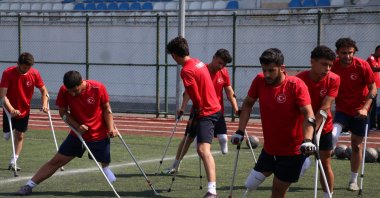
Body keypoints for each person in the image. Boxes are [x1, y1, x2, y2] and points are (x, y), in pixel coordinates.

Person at [16, 70, 119, 196]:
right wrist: (77, 126)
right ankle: (29, 185)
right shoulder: (64, 90)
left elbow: (106, 109)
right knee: (56, 161)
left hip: (98, 134)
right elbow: (63, 113)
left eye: (76, 91)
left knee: (104, 161)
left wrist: (111, 129)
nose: (73, 94)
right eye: (70, 91)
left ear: (82, 83)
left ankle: (105, 168)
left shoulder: (98, 87)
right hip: (77, 135)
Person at [230, 48, 316, 197]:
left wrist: (307, 140)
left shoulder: (296, 85)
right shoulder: (259, 80)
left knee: (277, 191)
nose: (267, 75)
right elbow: (248, 103)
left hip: (292, 152)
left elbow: (308, 114)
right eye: (264, 70)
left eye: (271, 70)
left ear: (282, 68)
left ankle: (304, 162)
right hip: (269, 150)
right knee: (250, 184)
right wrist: (240, 130)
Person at [162, 49, 239, 174]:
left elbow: (229, 91)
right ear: (213, 57)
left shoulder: (223, 73)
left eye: (223, 65)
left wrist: (235, 107)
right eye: (219, 63)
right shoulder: (202, 68)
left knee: (220, 139)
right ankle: (175, 166)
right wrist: (183, 107)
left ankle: (221, 141)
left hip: (216, 110)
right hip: (199, 110)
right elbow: (189, 90)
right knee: (188, 139)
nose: (221, 67)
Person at [166, 36, 222, 198]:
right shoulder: (198, 62)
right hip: (209, 109)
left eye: (172, 55)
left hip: (206, 111)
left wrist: (198, 111)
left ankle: (212, 191)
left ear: (175, 55)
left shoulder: (186, 70)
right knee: (189, 139)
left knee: (203, 149)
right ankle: (175, 165)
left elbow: (195, 96)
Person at [331, 38, 377, 191]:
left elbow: (373, 89)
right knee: (333, 134)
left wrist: (365, 108)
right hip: (342, 110)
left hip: (359, 111)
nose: (347, 56)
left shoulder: (362, 65)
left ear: (354, 52)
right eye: (343, 53)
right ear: (338, 53)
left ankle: (353, 180)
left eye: (350, 53)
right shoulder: (333, 66)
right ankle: (323, 158)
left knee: (356, 146)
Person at [297, 45, 340, 198]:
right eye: (324, 64)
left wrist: (314, 131)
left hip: (324, 127)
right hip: (302, 127)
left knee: (325, 163)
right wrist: (307, 135)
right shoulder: (299, 79)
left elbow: (325, 107)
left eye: (330, 65)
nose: (327, 68)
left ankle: (328, 195)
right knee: (294, 162)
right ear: (312, 62)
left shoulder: (334, 79)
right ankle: (303, 161)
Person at [0, 52, 48, 171]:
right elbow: (2, 96)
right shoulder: (8, 73)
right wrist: (11, 109)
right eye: (24, 67)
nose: (26, 70)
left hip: (24, 110)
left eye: (28, 68)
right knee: (7, 134)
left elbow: (43, 90)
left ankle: (13, 161)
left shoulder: (34, 73)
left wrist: (44, 104)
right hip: (9, 109)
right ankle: (6, 131)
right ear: (18, 64)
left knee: (20, 135)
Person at [367, 45, 380, 130]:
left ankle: (373, 124)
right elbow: (374, 68)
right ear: (377, 50)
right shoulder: (371, 58)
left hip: (376, 86)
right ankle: (370, 124)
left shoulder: (378, 59)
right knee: (371, 105)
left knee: (374, 106)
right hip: (370, 86)